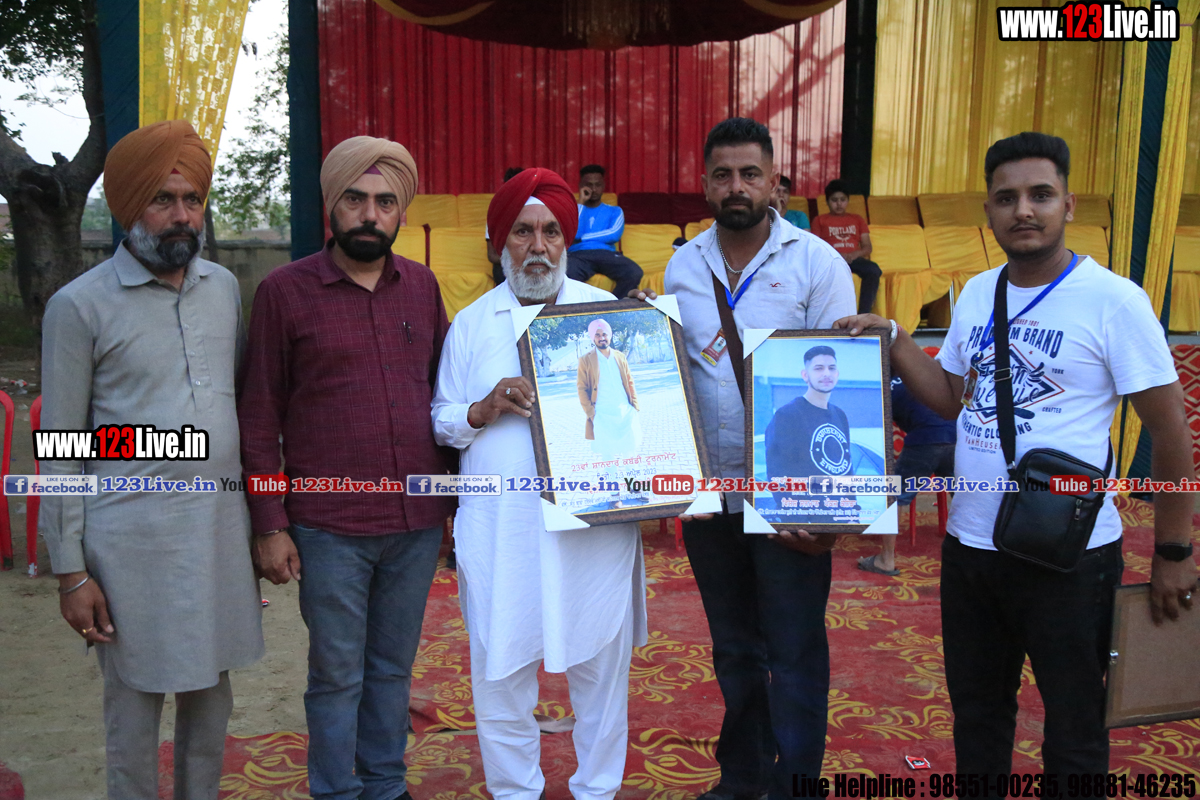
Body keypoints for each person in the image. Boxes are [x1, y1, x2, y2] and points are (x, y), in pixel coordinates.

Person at [836, 131, 1197, 785]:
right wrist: (895, 338)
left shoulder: (1114, 300)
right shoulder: (979, 292)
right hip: (971, 548)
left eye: (1040, 195)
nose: (1023, 210)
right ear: (989, 211)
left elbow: (1171, 433)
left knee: (1075, 724)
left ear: (1068, 204)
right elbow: (951, 398)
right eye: (1006, 198)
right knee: (977, 716)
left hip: (1071, 553)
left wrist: (1174, 551)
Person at [40, 119, 263, 800]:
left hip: (217, 536)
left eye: (192, 199)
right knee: (134, 714)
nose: (181, 215)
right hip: (128, 549)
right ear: (129, 206)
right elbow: (62, 446)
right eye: (163, 199)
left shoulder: (222, 289)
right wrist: (71, 572)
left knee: (211, 702)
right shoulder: (78, 307)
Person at [238, 136, 457, 800]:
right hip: (327, 527)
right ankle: (336, 790)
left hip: (415, 522)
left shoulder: (421, 287)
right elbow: (259, 416)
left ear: (400, 212)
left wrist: (453, 505)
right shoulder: (284, 292)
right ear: (333, 205)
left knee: (392, 669)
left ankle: (385, 785)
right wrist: (269, 523)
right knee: (337, 674)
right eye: (356, 199)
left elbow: (443, 398)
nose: (370, 214)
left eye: (385, 202)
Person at [652, 117, 856, 799]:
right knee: (735, 651)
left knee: (794, 653)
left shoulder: (818, 264)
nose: (736, 186)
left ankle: (794, 785)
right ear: (705, 184)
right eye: (723, 175)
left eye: (749, 174)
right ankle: (740, 779)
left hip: (790, 497)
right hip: (711, 496)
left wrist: (831, 514)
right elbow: (674, 374)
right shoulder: (683, 266)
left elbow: (841, 381)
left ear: (774, 182)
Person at [432, 167, 647, 800]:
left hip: (593, 531)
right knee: (500, 676)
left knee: (601, 675)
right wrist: (483, 408)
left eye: (551, 232)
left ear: (567, 240)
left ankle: (598, 790)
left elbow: (645, 413)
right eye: (523, 232)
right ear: (501, 242)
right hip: (503, 532)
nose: (538, 247)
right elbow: (442, 419)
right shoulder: (472, 323)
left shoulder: (606, 317)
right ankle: (514, 792)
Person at [857, 376, 956, 577]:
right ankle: (981, 549)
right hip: (955, 435)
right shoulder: (914, 374)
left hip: (925, 439)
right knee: (964, 494)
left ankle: (886, 560)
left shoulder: (881, 386)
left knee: (894, 497)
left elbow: (873, 428)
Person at [764, 345, 857, 525]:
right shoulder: (787, 415)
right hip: (805, 519)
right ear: (805, 375)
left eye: (831, 368)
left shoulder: (840, 415)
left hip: (838, 516)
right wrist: (796, 519)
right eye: (818, 368)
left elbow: (846, 468)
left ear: (837, 374)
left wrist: (851, 509)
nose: (826, 373)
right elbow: (778, 473)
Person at [566, 164, 644, 299]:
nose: (593, 189)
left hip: (606, 255)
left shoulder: (615, 211)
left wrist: (583, 238)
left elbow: (613, 234)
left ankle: (613, 306)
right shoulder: (573, 209)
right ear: (581, 186)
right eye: (589, 185)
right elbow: (574, 234)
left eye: (598, 185)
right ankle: (580, 309)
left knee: (634, 272)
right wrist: (581, 202)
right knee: (565, 275)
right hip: (578, 255)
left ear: (603, 186)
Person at [811, 179, 880, 314]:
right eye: (834, 200)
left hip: (854, 259)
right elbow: (816, 247)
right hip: (832, 260)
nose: (839, 204)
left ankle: (863, 314)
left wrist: (854, 254)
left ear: (848, 201)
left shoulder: (857, 219)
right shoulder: (819, 220)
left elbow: (867, 247)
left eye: (842, 200)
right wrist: (837, 255)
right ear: (827, 202)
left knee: (873, 270)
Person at [577, 318, 641, 456]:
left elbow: (629, 382)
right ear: (592, 337)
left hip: (625, 412)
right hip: (602, 414)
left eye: (604, 334)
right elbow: (582, 388)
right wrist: (591, 413)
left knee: (630, 453)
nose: (602, 338)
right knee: (608, 456)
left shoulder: (620, 356)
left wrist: (634, 406)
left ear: (610, 335)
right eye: (597, 335)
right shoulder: (585, 360)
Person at [488, 166, 524, 285]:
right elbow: (492, 255)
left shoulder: (537, 212)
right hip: (506, 264)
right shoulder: (495, 214)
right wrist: (517, 262)